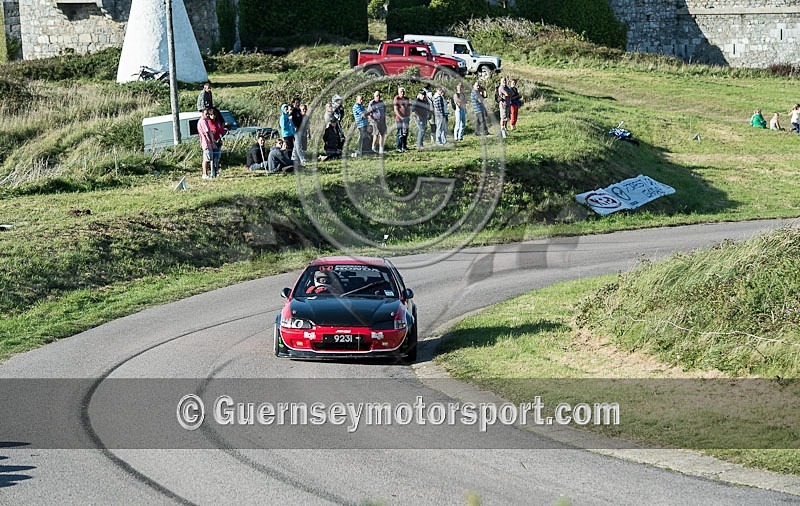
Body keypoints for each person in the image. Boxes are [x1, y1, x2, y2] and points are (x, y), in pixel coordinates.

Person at [209, 107, 226, 177]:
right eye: (212, 114)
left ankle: (216, 171)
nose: (213, 116)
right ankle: (212, 172)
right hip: (212, 142)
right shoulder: (209, 123)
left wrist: (223, 133)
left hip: (218, 141)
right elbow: (209, 132)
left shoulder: (217, 122)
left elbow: (222, 130)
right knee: (212, 158)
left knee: (217, 158)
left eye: (214, 114)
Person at [290, 97, 307, 164]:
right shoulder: (293, 111)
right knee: (298, 145)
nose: (297, 104)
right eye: (296, 103)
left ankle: (293, 158)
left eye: (298, 103)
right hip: (296, 130)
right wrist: (294, 126)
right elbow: (291, 120)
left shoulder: (299, 111)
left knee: (296, 145)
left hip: (300, 129)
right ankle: (302, 159)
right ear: (293, 103)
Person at [393, 87, 410, 152]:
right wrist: (401, 117)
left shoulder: (406, 99)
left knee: (405, 133)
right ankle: (398, 147)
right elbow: (396, 109)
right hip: (399, 119)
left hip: (406, 118)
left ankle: (404, 146)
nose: (402, 93)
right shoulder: (396, 98)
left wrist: (408, 116)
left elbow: (408, 108)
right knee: (400, 132)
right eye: (401, 91)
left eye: (403, 91)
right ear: (398, 92)